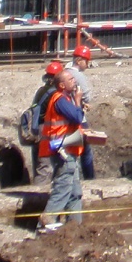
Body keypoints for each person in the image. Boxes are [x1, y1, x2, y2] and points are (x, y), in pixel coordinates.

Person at [37, 69, 85, 234]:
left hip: (69, 151)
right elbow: (77, 118)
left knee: (75, 193)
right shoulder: (60, 100)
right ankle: (44, 228)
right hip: (63, 153)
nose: (74, 81)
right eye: (70, 79)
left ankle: (75, 229)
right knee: (62, 189)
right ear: (62, 85)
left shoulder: (65, 99)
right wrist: (78, 101)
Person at [29, 60, 64, 186]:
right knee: (47, 166)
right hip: (48, 131)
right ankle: (39, 198)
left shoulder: (41, 91)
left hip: (38, 129)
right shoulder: (55, 93)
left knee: (41, 165)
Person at [67, 45, 95, 180]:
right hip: (78, 117)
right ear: (79, 60)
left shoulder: (64, 73)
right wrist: (85, 101)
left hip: (66, 117)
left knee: (70, 150)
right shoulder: (78, 76)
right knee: (86, 151)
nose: (87, 65)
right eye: (86, 61)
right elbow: (86, 95)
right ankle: (89, 179)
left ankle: (72, 178)